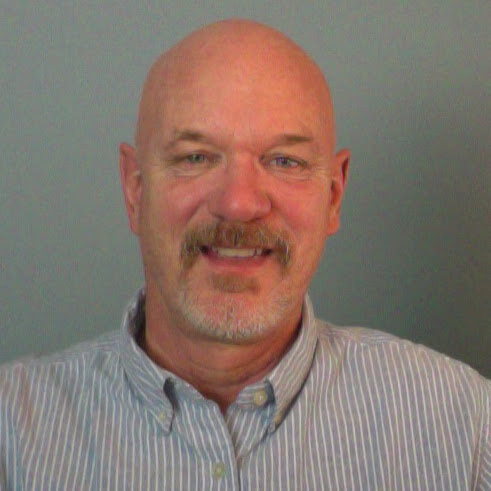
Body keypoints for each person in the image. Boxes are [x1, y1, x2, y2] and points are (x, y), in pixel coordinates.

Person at [0, 19, 489, 490]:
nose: (238, 203)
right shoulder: (12, 436)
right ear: (134, 189)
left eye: (284, 161)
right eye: (196, 157)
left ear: (334, 196)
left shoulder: (466, 428)